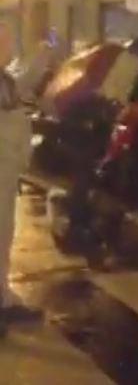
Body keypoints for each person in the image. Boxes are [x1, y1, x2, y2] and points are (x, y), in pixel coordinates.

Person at [0, 24, 38, 334]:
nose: (8, 47)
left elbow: (23, 85)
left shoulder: (6, 79)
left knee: (4, 235)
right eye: (3, 41)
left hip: (7, 169)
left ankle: (3, 298)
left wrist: (44, 53)